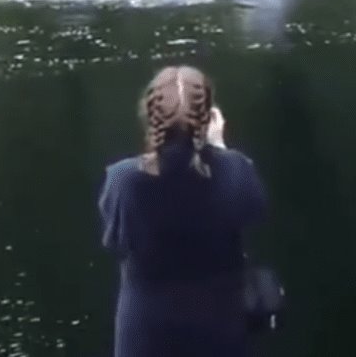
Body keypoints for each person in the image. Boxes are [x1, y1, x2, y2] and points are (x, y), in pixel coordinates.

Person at [99, 65, 267, 357]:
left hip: (145, 327)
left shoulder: (123, 179)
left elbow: (116, 242)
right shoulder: (235, 168)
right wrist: (219, 147)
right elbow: (252, 211)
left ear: (151, 118)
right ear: (207, 118)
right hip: (220, 324)